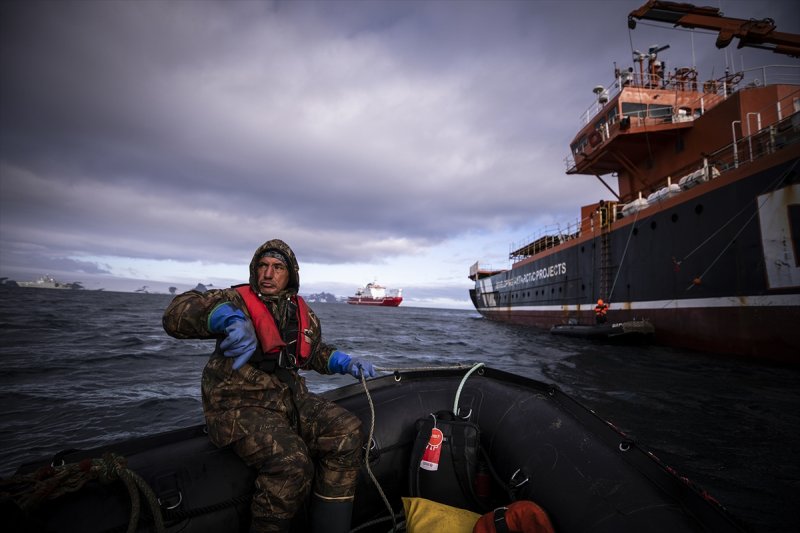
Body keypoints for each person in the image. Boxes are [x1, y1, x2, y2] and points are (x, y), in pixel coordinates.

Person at [162, 239, 376, 533]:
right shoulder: (233, 300)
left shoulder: (302, 312)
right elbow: (177, 313)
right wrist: (225, 318)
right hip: (238, 406)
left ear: (291, 274)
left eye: (277, 267)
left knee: (348, 430)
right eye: (263, 266)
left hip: (290, 400)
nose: (268, 273)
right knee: (292, 463)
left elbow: (313, 352)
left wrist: (344, 362)